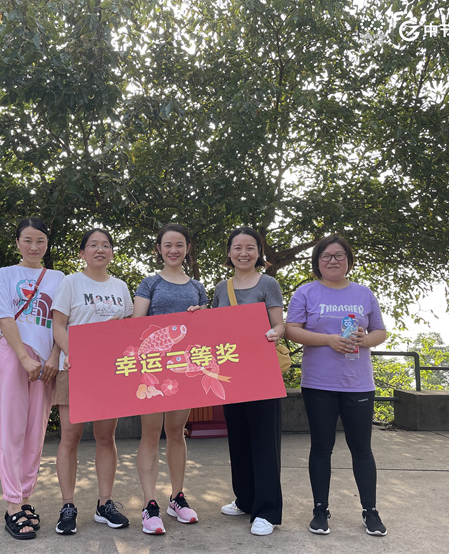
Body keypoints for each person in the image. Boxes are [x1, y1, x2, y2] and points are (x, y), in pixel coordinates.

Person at [285, 235, 388, 537]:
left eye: (339, 255)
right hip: (318, 384)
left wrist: (364, 340)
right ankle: (320, 510)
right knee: (321, 447)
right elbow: (291, 330)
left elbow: (380, 331)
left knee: (362, 449)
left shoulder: (364, 293)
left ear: (348, 260)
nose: (333, 260)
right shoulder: (306, 292)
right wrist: (328, 340)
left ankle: (370, 511)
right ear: (317, 262)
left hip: (358, 384)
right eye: (326, 256)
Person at [0, 217, 65, 540]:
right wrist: (23, 357)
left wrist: (53, 358)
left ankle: (26, 498)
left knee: (36, 432)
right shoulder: (5, 274)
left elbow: (63, 322)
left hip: (46, 362)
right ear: (17, 242)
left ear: (47, 244)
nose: (34, 247)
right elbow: (4, 317)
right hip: (13, 356)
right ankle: (12, 504)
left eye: (40, 241)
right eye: (28, 240)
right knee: (11, 430)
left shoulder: (59, 278)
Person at [51, 228, 133, 535]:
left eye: (106, 245)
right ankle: (67, 505)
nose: (100, 249)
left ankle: (105, 504)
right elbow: (58, 325)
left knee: (105, 437)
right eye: (93, 245)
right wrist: (74, 354)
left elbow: (129, 325)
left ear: (111, 252)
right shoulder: (71, 282)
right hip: (73, 369)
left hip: (109, 371)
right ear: (82, 252)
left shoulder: (120, 286)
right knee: (70, 437)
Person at [132, 223, 208, 535]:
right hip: (152, 370)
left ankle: (177, 498)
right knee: (150, 434)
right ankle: (149, 504)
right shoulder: (149, 283)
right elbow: (136, 325)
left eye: (179, 244)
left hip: (183, 370)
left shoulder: (198, 287)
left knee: (177, 432)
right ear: (159, 249)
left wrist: (200, 316)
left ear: (187, 248)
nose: (173, 250)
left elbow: (205, 332)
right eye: (167, 245)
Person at [211, 226, 286, 536]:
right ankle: (245, 499)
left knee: (264, 440)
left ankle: (267, 511)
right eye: (237, 248)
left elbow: (279, 324)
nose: (243, 253)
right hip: (232, 373)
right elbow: (214, 326)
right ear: (229, 253)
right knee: (238, 437)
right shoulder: (221, 287)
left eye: (250, 247)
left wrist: (275, 332)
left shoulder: (268, 283)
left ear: (259, 252)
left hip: (262, 371)